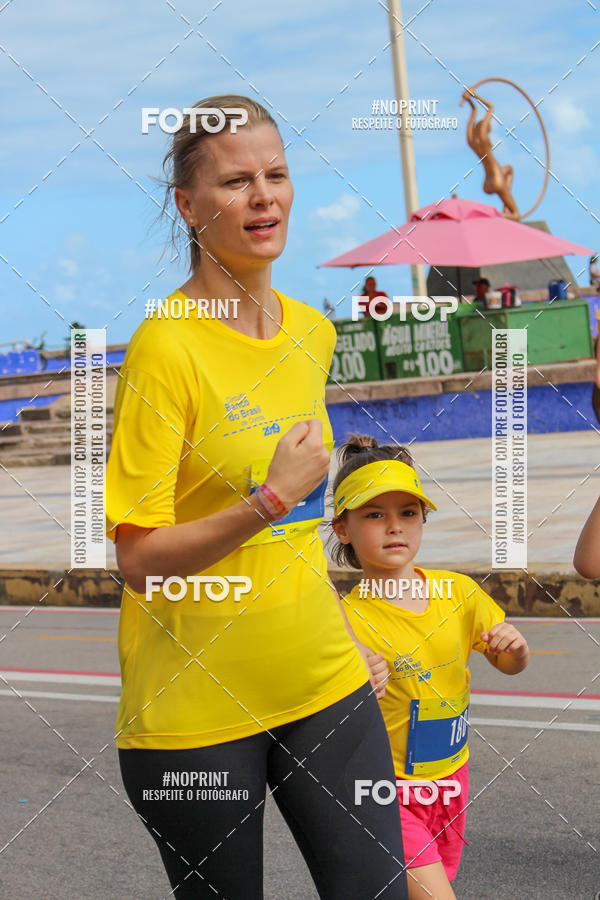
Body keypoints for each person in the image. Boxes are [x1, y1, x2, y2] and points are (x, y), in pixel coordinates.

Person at [105, 95, 409, 899]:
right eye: (236, 182)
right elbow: (138, 559)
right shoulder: (165, 347)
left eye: (276, 174)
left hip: (324, 686)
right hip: (195, 714)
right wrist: (266, 498)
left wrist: (344, 632)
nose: (264, 196)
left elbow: (302, 533)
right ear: (187, 204)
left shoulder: (313, 333)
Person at [330, 434, 530, 900]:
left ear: (423, 520)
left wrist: (516, 650)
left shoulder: (459, 593)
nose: (394, 527)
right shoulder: (343, 619)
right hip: (386, 788)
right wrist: (354, 684)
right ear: (343, 528)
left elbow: (509, 664)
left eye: (407, 513)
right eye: (374, 515)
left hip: (450, 781)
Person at [460, 88, 520, 219]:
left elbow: (471, 122)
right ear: (485, 130)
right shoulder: (484, 140)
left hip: (487, 182)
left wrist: (471, 105)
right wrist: (476, 96)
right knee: (516, 215)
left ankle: (504, 207)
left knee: (509, 169)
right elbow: (491, 107)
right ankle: (494, 215)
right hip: (497, 179)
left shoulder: (472, 143)